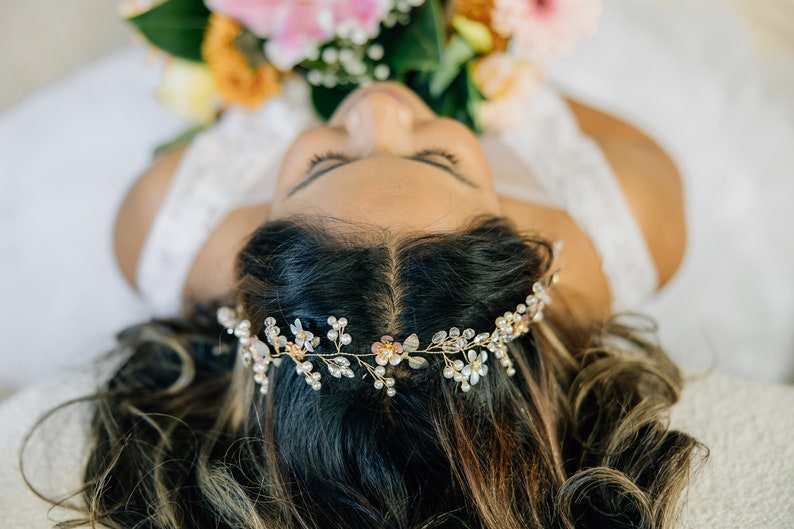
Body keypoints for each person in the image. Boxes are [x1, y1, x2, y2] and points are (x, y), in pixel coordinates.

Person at [1, 75, 793, 529]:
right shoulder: (613, 227)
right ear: (518, 241)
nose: (378, 103)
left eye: (315, 171)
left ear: (253, 280)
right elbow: (620, 137)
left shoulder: (182, 234)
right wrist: (501, 60)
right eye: (444, 160)